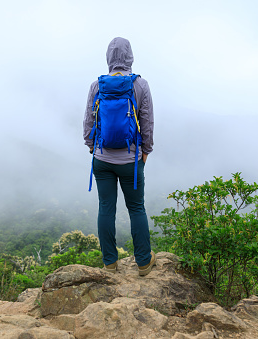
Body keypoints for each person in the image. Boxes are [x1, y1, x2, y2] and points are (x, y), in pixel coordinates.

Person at [83, 37, 155, 276]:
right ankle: (144, 262)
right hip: (130, 162)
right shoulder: (140, 85)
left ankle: (110, 263)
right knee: (136, 208)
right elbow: (147, 122)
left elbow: (88, 121)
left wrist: (92, 147)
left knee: (106, 209)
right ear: (130, 56)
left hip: (102, 160)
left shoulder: (98, 85)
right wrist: (145, 151)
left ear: (108, 58)